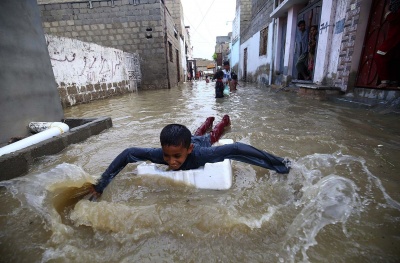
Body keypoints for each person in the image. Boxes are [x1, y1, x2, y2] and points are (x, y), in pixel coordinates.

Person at [89, 116, 291, 198]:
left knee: (211, 135)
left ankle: (222, 121)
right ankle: (207, 120)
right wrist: (101, 184)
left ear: (188, 151)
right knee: (197, 131)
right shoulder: (161, 155)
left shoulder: (201, 154)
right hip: (190, 139)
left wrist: (279, 164)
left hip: (201, 143)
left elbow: (236, 148)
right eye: (167, 156)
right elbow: (128, 153)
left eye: (176, 156)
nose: (171, 162)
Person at [374, 0, 400, 89]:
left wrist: (387, 11)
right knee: (394, 59)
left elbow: (394, 18)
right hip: (394, 37)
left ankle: (385, 81)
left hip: (396, 37)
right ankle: (393, 81)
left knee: (379, 56)